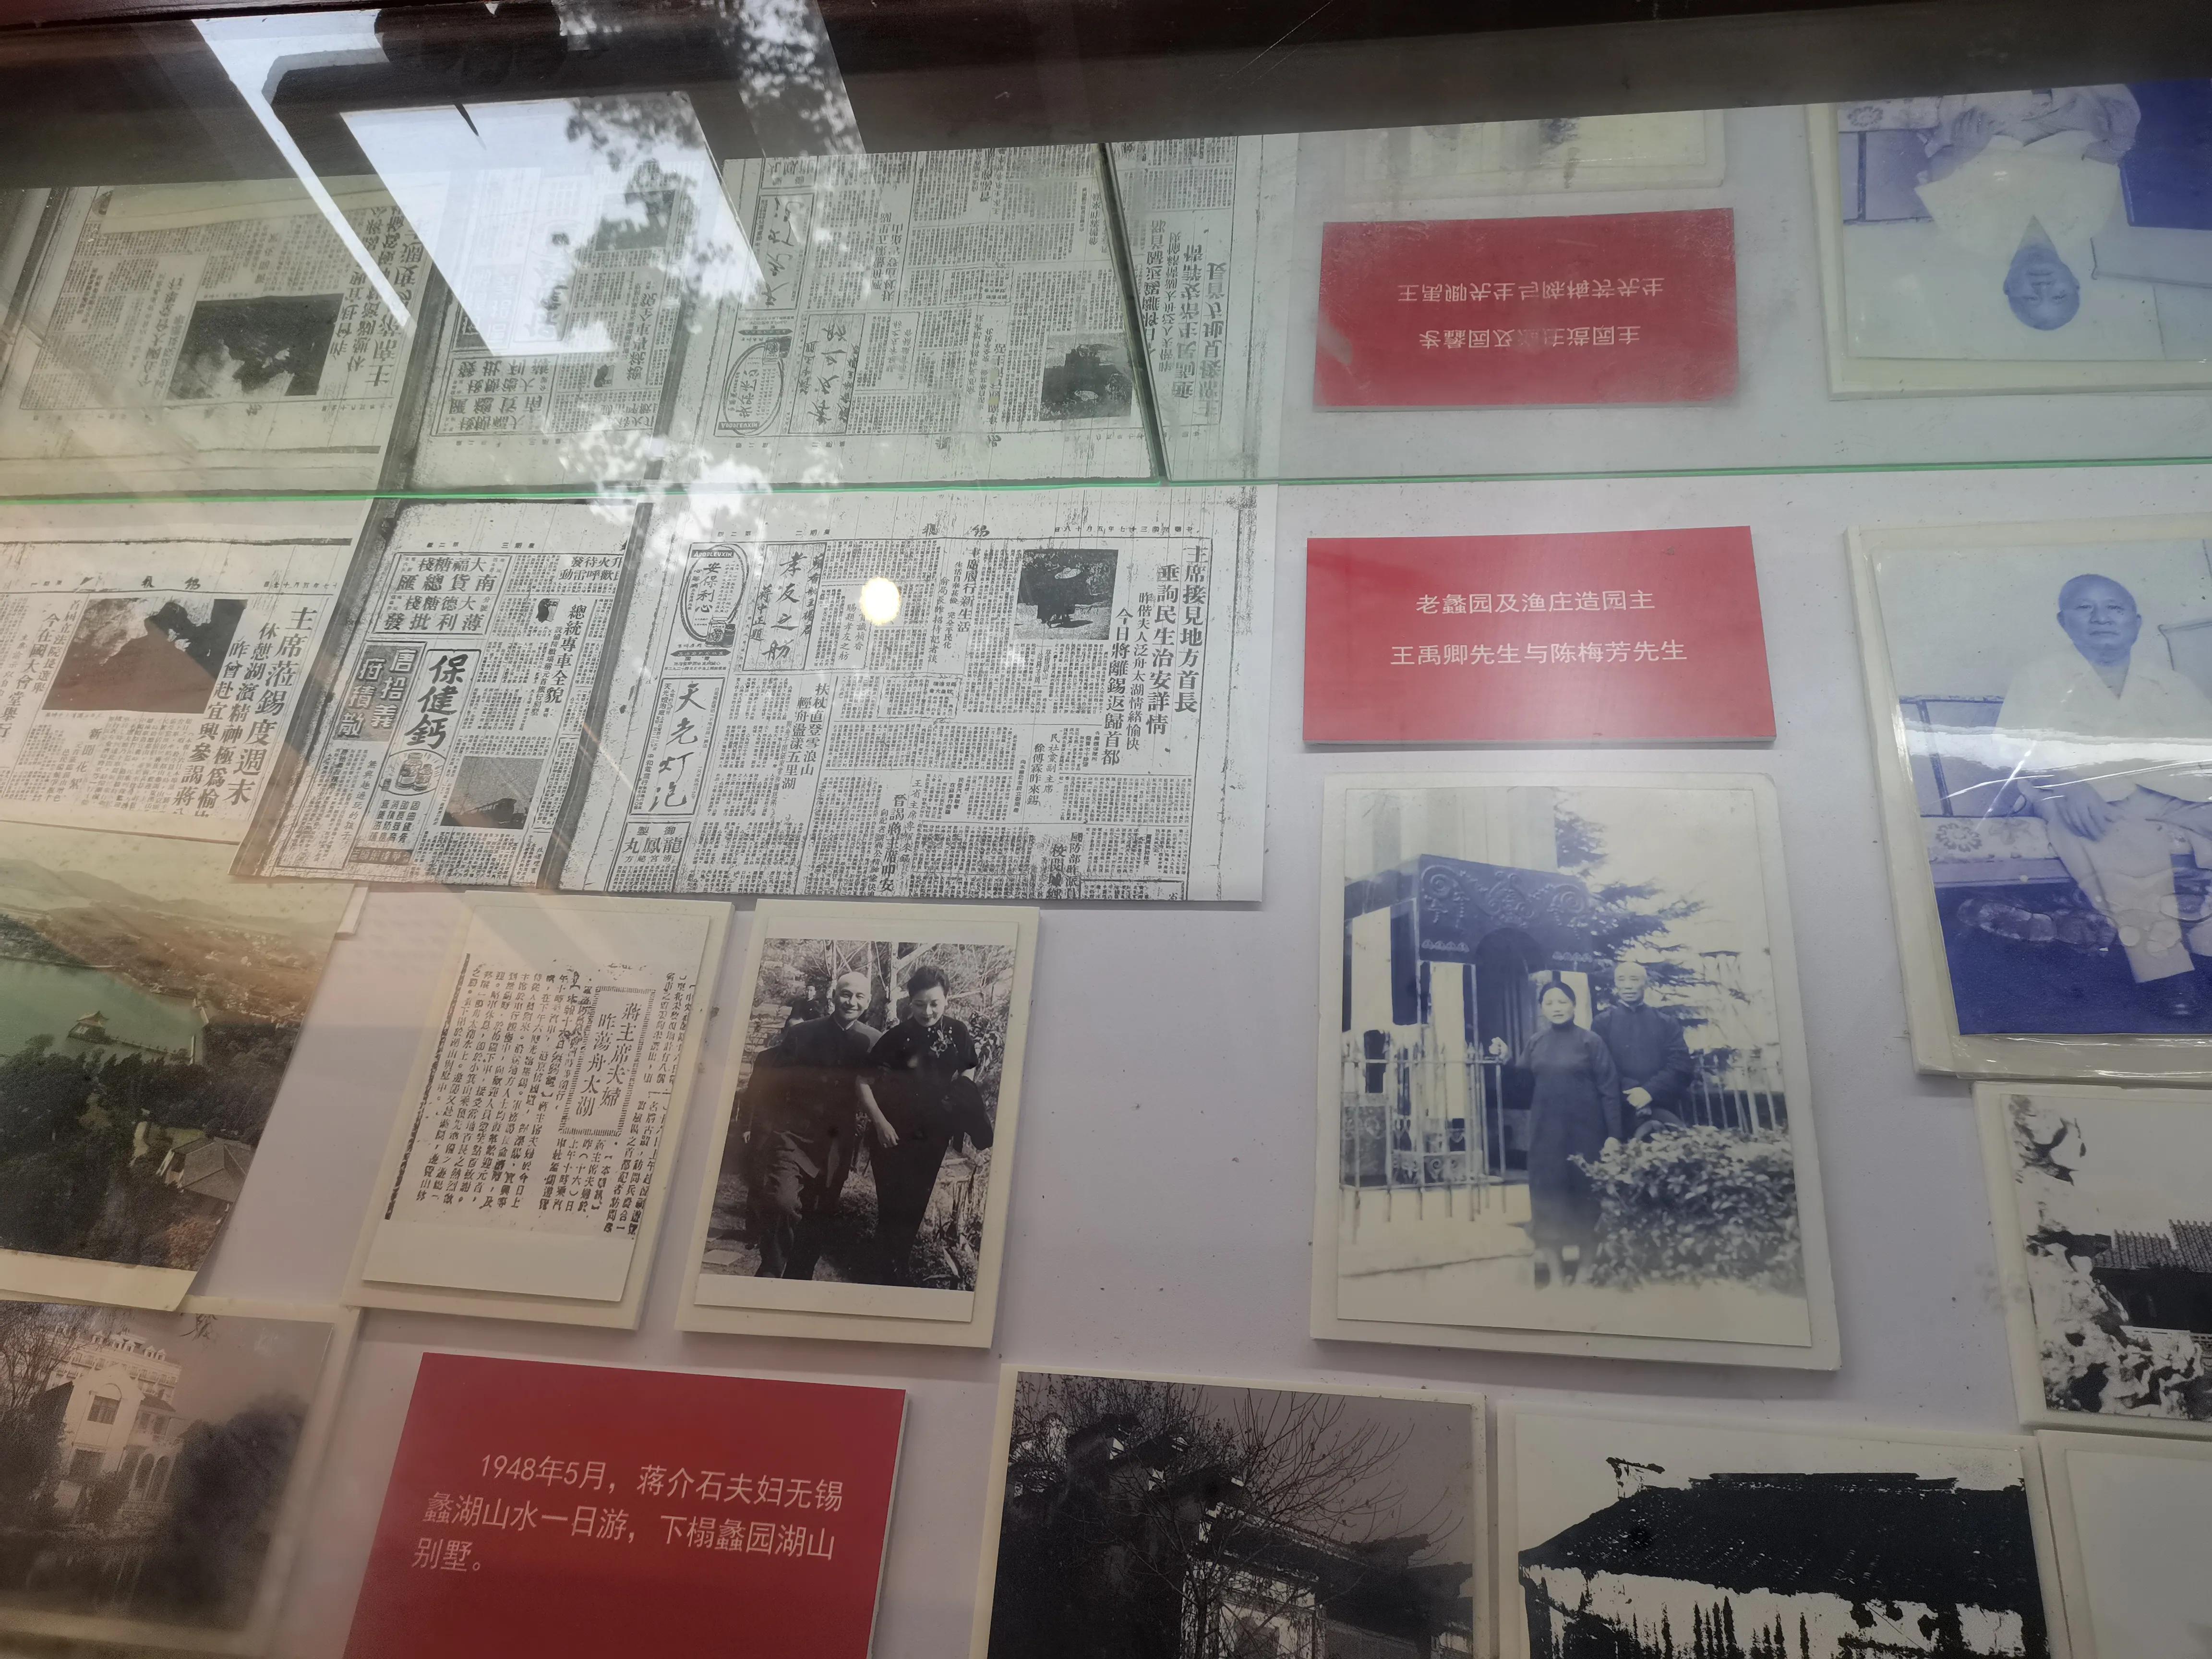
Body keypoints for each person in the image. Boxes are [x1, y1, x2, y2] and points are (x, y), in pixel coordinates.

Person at [1993, 573, 2212, 1019]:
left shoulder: (2170, 683)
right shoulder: (2040, 677)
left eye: (2114, 608)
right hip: (2071, 788)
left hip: (2162, 790)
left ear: (2135, 622)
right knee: (2112, 829)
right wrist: (2071, 783)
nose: (2101, 618)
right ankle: (2167, 972)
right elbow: (2013, 749)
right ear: (2064, 622)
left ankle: (2208, 950)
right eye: (2084, 608)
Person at [1912, 87, 2141, 334]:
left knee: (1997, 100)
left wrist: (1964, 150)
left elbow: (1938, 172)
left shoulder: (1972, 237)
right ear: (2074, 282)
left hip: (1988, 135)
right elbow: (2101, 160)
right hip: (2065, 128)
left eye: (2031, 298)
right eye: (2059, 295)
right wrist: (2122, 139)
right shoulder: (2088, 224)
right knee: (2124, 115)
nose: (2043, 287)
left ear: (2008, 286)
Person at [857, 965, 995, 1285]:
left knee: (916, 1200)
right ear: (910, 1002)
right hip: (892, 1130)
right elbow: (863, 1082)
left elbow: (969, 1068)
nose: (928, 1011)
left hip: (933, 1133)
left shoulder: (958, 1032)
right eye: (920, 1004)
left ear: (947, 999)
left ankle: (898, 1262)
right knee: (892, 1201)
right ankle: (885, 1266)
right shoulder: (895, 1038)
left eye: (935, 1003)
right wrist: (880, 1124)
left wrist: (958, 1093)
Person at [737, 971, 879, 1279]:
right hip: (793, 1136)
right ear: (834, 995)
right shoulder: (803, 1034)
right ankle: (771, 1271)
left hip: (836, 1143)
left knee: (819, 1215)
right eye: (846, 994)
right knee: (782, 1202)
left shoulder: (874, 1041)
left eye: (860, 997)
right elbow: (773, 1087)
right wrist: (767, 1132)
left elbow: (884, 1092)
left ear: (868, 1002)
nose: (851, 1002)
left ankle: (799, 1278)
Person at [1519, 980, 1625, 1289]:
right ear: (1542, 1009)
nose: (1557, 1008)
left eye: (1563, 1001)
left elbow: (1610, 1090)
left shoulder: (1591, 1041)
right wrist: (1503, 1061)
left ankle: (1584, 1273)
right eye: (1550, 1003)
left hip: (1586, 1136)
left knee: (1586, 1202)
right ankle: (1555, 1277)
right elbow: (1519, 1089)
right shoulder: (1536, 1043)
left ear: (1574, 1005)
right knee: (1547, 1203)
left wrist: (1614, 1135)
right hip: (1545, 1138)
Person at [1591, 961, 1694, 1137]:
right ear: (1616, 984)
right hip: (1619, 1109)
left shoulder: (1666, 1023)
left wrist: (1649, 1092)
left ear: (1645, 983)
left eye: (1634, 979)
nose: (1628, 986)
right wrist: (1634, 1092)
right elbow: (1602, 1068)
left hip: (1662, 1103)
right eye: (1622, 980)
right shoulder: (1602, 1023)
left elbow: (1681, 1065)